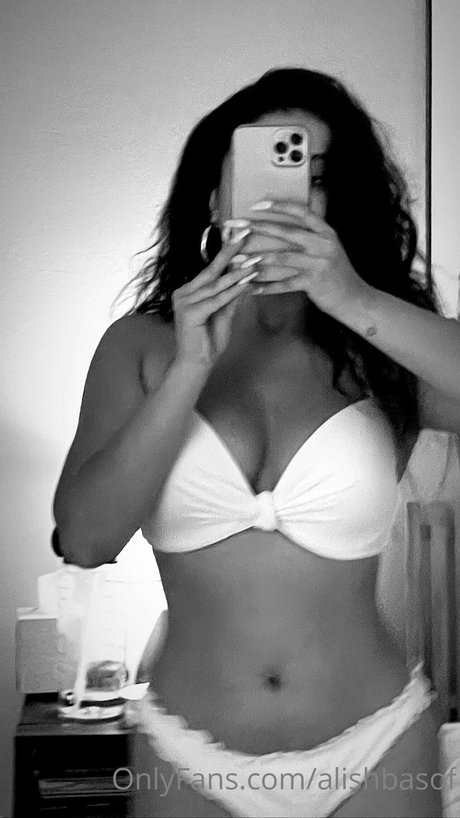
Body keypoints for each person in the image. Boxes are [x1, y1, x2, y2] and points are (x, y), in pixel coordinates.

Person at [52, 67, 460, 817]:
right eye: (257, 172)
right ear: (215, 198)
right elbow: (84, 540)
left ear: (342, 203)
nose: (287, 198)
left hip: (380, 744)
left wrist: (353, 298)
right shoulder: (140, 345)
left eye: (315, 178)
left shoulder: (381, 351)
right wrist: (189, 369)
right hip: (188, 753)